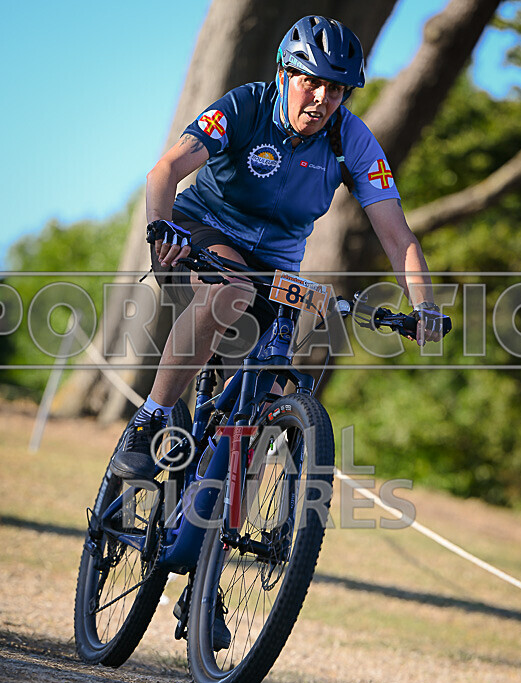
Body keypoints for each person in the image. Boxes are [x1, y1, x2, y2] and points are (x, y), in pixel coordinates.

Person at [111, 15, 449, 482]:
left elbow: (398, 236)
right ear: (284, 73)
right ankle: (150, 417)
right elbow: (164, 171)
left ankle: (208, 509)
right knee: (231, 291)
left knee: (264, 390)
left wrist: (424, 304)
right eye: (311, 83)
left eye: (336, 89)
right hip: (200, 227)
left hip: (274, 264)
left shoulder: (352, 140)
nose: (322, 99)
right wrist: (160, 228)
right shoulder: (247, 106)